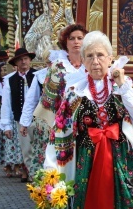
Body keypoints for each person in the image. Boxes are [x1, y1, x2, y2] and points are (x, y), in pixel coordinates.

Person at [44, 31, 133, 209]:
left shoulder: (124, 85)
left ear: (110, 58)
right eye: (90, 56)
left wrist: (123, 86)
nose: (96, 61)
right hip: (87, 163)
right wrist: (52, 172)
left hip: (122, 161)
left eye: (101, 55)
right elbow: (59, 133)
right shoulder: (74, 92)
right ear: (83, 61)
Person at [21, 24, 87, 176]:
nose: (76, 42)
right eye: (72, 39)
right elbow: (48, 97)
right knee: (60, 165)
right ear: (66, 42)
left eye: (80, 38)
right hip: (61, 121)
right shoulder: (57, 67)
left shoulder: (91, 64)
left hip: (86, 122)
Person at [0, 48, 37, 181]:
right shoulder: (10, 80)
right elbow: (6, 104)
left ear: (30, 60)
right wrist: (7, 125)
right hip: (20, 120)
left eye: (26, 59)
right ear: (16, 63)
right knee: (26, 150)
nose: (23, 62)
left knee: (40, 149)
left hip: (38, 119)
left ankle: (41, 176)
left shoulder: (38, 76)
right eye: (20, 60)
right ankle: (33, 176)